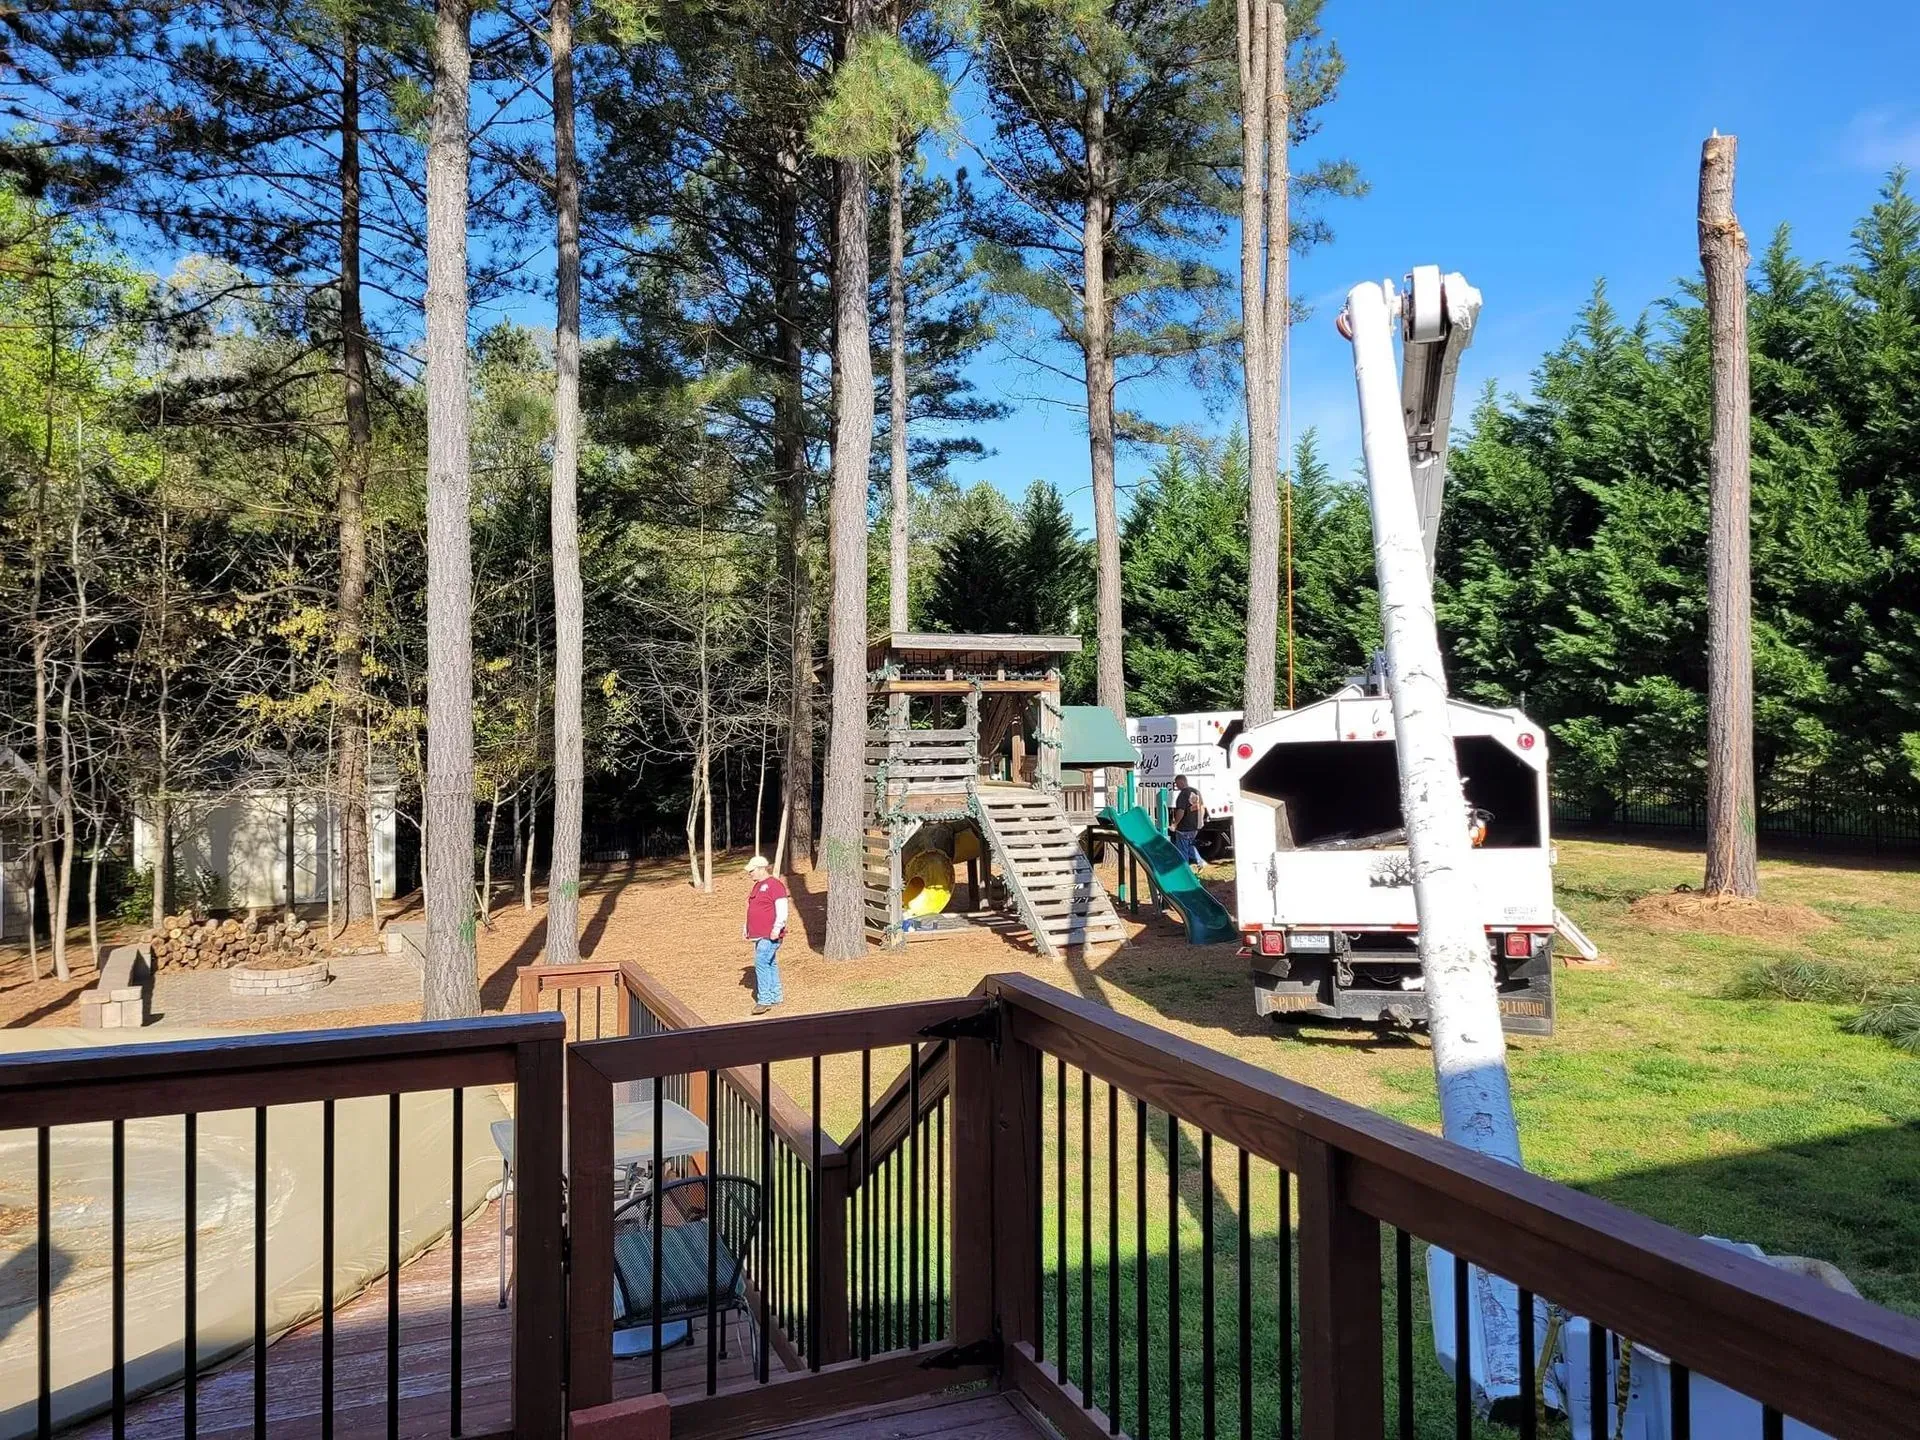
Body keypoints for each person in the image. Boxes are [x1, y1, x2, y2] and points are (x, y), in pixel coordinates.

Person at [742, 855, 788, 1015]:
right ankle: (776, 995)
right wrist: (746, 928)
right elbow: (752, 908)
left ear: (761, 869)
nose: (750, 874)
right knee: (770, 963)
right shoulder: (756, 886)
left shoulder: (775, 886)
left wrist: (777, 928)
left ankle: (764, 1000)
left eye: (752, 870)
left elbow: (782, 908)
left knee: (761, 962)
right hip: (759, 934)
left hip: (770, 934)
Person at [1168, 775, 1206, 868]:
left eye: (1177, 784)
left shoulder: (1183, 794)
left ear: (1181, 782)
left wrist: (1175, 824)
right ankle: (1200, 862)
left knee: (1183, 849)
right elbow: (1202, 807)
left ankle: (1185, 869)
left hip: (1184, 827)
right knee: (1190, 845)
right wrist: (1201, 820)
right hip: (1194, 826)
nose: (1176, 786)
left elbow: (1181, 811)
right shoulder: (1196, 792)